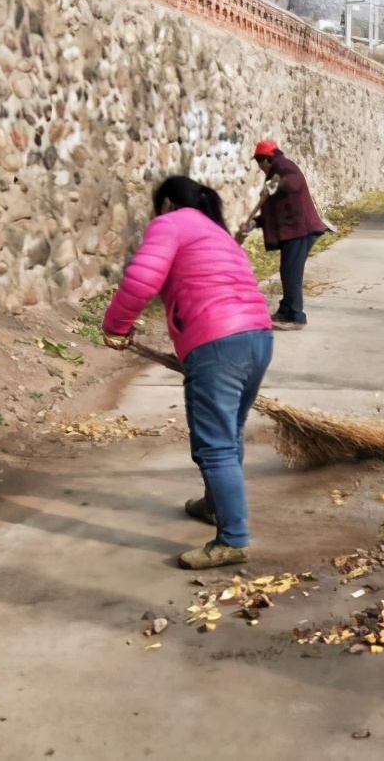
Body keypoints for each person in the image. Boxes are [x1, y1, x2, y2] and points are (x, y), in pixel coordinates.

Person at [102, 176, 273, 569]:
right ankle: (216, 507)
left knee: (214, 445)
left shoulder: (171, 223)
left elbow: (142, 279)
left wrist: (116, 325)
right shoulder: (217, 232)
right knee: (228, 431)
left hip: (216, 344)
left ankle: (233, 539)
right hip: (257, 337)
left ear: (166, 203)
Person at [236, 140, 328, 331]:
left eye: (259, 163)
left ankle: (296, 316)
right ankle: (286, 310)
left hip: (301, 230)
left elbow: (293, 181)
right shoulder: (274, 172)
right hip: (294, 230)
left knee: (291, 272)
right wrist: (255, 223)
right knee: (287, 271)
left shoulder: (283, 166)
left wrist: (278, 183)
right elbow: (273, 211)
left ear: (266, 159)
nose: (259, 168)